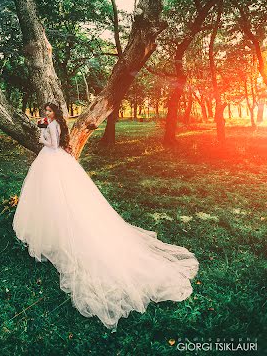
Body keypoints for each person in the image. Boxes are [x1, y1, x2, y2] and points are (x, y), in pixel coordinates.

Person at [12, 102, 199, 330]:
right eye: (45, 113)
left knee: (57, 194)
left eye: (49, 112)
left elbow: (51, 144)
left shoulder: (52, 126)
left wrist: (41, 136)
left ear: (55, 113)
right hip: (57, 159)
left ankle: (58, 229)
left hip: (51, 157)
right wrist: (44, 128)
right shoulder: (57, 124)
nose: (46, 115)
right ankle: (54, 228)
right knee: (53, 195)